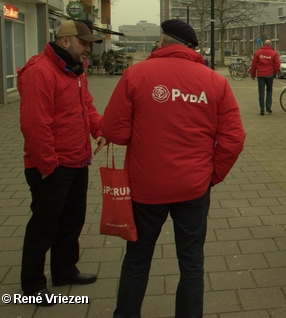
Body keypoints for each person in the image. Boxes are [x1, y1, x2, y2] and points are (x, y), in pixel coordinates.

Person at [100, 19, 246, 318]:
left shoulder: (135, 75)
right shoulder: (215, 82)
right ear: (191, 48)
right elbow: (234, 139)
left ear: (163, 43)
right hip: (193, 188)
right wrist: (211, 176)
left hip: (145, 187)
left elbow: (114, 132)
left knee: (138, 258)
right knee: (191, 262)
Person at [17, 19, 106, 305]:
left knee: (72, 221)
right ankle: (32, 285)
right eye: (83, 44)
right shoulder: (39, 71)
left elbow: (87, 106)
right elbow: (35, 124)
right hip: (52, 165)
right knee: (44, 226)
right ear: (65, 41)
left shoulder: (76, 72)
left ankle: (65, 270)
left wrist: (99, 129)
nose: (87, 51)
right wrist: (47, 165)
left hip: (78, 159)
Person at [250, 39, 281, 115]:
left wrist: (253, 75)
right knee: (269, 90)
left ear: (263, 45)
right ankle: (268, 107)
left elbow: (254, 65)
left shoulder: (258, 53)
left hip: (260, 75)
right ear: (270, 45)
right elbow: (277, 64)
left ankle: (262, 110)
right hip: (269, 75)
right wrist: (274, 72)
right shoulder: (274, 53)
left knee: (261, 92)